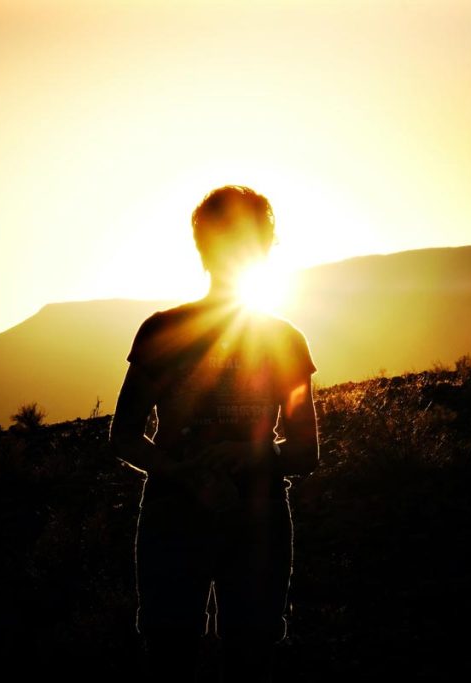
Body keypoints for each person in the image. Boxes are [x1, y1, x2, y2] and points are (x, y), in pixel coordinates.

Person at [109, 185, 320, 682]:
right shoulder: (281, 339)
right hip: (225, 519)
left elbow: (125, 437)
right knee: (226, 654)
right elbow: (304, 450)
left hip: (219, 518)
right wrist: (248, 457)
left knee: (184, 654)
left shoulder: (166, 332)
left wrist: (202, 464)